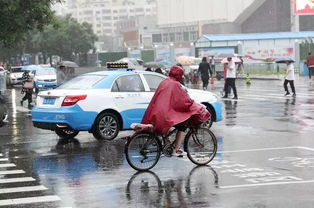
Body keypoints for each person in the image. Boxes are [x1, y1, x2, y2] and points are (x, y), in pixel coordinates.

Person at [141, 65, 210, 155]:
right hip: (165, 115)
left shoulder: (165, 81)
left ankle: (166, 143)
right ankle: (176, 149)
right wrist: (195, 105)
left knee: (167, 128)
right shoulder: (175, 84)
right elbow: (185, 100)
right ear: (179, 75)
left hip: (157, 113)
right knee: (182, 126)